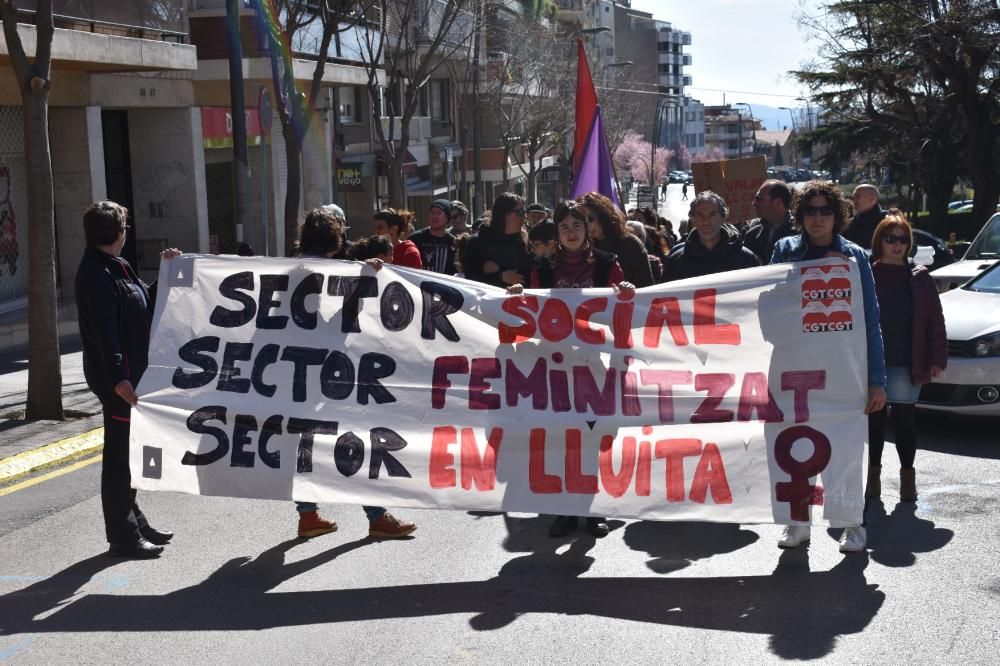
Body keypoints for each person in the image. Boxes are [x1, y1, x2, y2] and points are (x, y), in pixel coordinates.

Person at [771, 180, 887, 553]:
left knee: (846, 448)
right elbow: (765, 305)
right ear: (799, 216)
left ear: (837, 216)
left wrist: (876, 381)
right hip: (793, 370)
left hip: (843, 372)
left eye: (825, 211)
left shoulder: (855, 257)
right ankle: (796, 522)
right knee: (790, 446)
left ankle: (851, 523)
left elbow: (871, 321)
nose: (817, 218)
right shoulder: (784, 251)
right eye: (810, 210)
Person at [508, 200, 634, 537]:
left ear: (588, 228)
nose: (571, 232)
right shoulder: (543, 269)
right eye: (564, 227)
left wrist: (625, 295)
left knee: (591, 438)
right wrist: (519, 297)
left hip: (594, 367)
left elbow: (623, 312)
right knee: (559, 436)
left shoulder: (609, 266)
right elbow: (530, 313)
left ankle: (592, 512)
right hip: (554, 367)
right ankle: (563, 510)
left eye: (577, 225)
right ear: (557, 233)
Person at [291, 208, 417, 539]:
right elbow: (336, 321)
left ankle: (308, 515)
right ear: (334, 238)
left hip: (294, 374)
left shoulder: (290, 270)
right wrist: (363, 284)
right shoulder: (325, 273)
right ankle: (375, 515)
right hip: (330, 372)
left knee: (304, 442)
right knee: (355, 439)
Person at [75, 201, 178, 558]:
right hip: (118, 381)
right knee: (120, 458)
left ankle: (135, 522)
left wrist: (165, 272)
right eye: (124, 227)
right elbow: (105, 332)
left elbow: (140, 305)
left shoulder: (116, 266)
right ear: (116, 232)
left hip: (132, 376)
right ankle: (123, 535)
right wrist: (120, 378)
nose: (126, 233)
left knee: (131, 454)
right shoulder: (96, 273)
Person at [867, 212, 947, 502]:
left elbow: (935, 320)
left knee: (904, 421)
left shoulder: (920, 276)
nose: (897, 244)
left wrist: (938, 358)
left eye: (903, 239)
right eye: (890, 238)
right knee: (873, 423)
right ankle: (872, 480)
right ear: (880, 241)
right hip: (872, 363)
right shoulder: (866, 272)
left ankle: (907, 480)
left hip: (906, 360)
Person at [661, 191, 759, 281]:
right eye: (700, 215)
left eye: (712, 215)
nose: (706, 221)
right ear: (692, 219)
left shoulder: (746, 260)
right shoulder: (676, 261)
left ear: (723, 218)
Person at [578, 191, 654, 288]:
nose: (587, 224)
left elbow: (646, 286)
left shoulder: (630, 244)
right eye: (582, 220)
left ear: (603, 215)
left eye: (590, 218)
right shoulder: (583, 246)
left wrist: (629, 289)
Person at [462, 193, 533, 287]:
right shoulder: (477, 242)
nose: (524, 217)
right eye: (520, 212)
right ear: (505, 214)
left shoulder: (524, 243)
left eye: (524, 212)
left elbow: (527, 278)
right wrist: (500, 277)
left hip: (517, 300)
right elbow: (470, 280)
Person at [743, 179, 797, 264]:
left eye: (759, 198)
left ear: (778, 203)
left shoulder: (800, 233)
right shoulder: (752, 235)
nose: (754, 203)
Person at [408, 199, 457, 275]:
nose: (434, 216)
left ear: (448, 218)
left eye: (438, 213)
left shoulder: (453, 242)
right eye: (432, 213)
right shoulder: (415, 239)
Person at [843, 184, 887, 250]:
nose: (854, 201)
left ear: (872, 199)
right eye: (853, 198)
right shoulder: (851, 222)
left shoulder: (885, 222)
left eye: (857, 197)